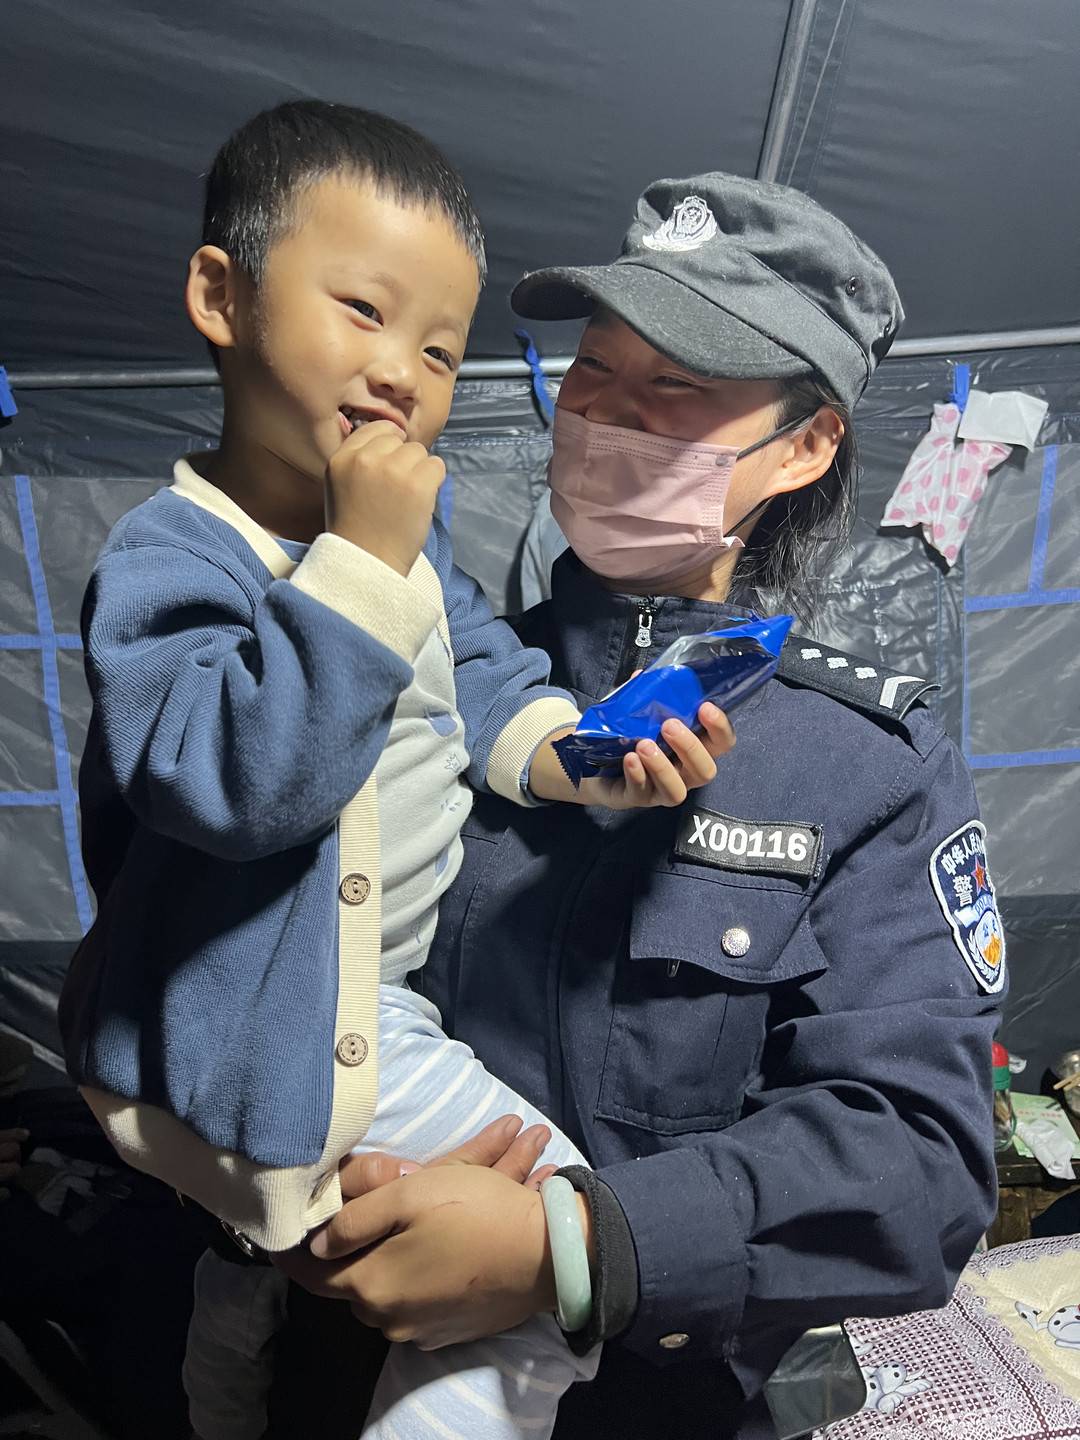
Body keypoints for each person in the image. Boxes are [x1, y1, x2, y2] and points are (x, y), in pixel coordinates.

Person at [281, 173, 1005, 1440]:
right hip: (343, 1353)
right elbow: (252, 954)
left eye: (675, 385)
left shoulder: (868, 767)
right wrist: (277, 1193)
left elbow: (919, 1164)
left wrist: (576, 1246)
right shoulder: (418, 674)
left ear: (804, 446)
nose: (608, 413)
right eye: (595, 371)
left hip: (656, 1402)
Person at [56, 110, 733, 1440]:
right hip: (267, 1031)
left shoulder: (407, 563)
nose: (400, 372)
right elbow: (234, 787)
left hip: (356, 1011)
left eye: (437, 349)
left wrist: (590, 760)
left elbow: (486, 680)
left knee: (253, 1273)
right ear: (221, 297)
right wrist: (360, 564)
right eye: (362, 310)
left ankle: (221, 1393)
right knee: (563, 1236)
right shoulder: (169, 559)